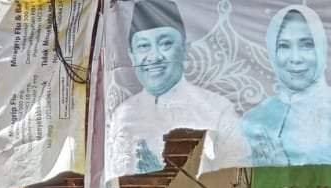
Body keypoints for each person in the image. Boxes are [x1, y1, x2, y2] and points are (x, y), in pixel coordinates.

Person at [107, 0, 250, 178]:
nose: (154, 57)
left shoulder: (219, 109)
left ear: (185, 49)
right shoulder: (122, 114)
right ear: (132, 55)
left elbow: (235, 163)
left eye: (165, 44)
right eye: (143, 46)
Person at [241, 5, 331, 167]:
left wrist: (282, 172)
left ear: (321, 48)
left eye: (306, 45)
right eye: (284, 46)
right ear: (272, 52)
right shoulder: (253, 118)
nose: (296, 58)